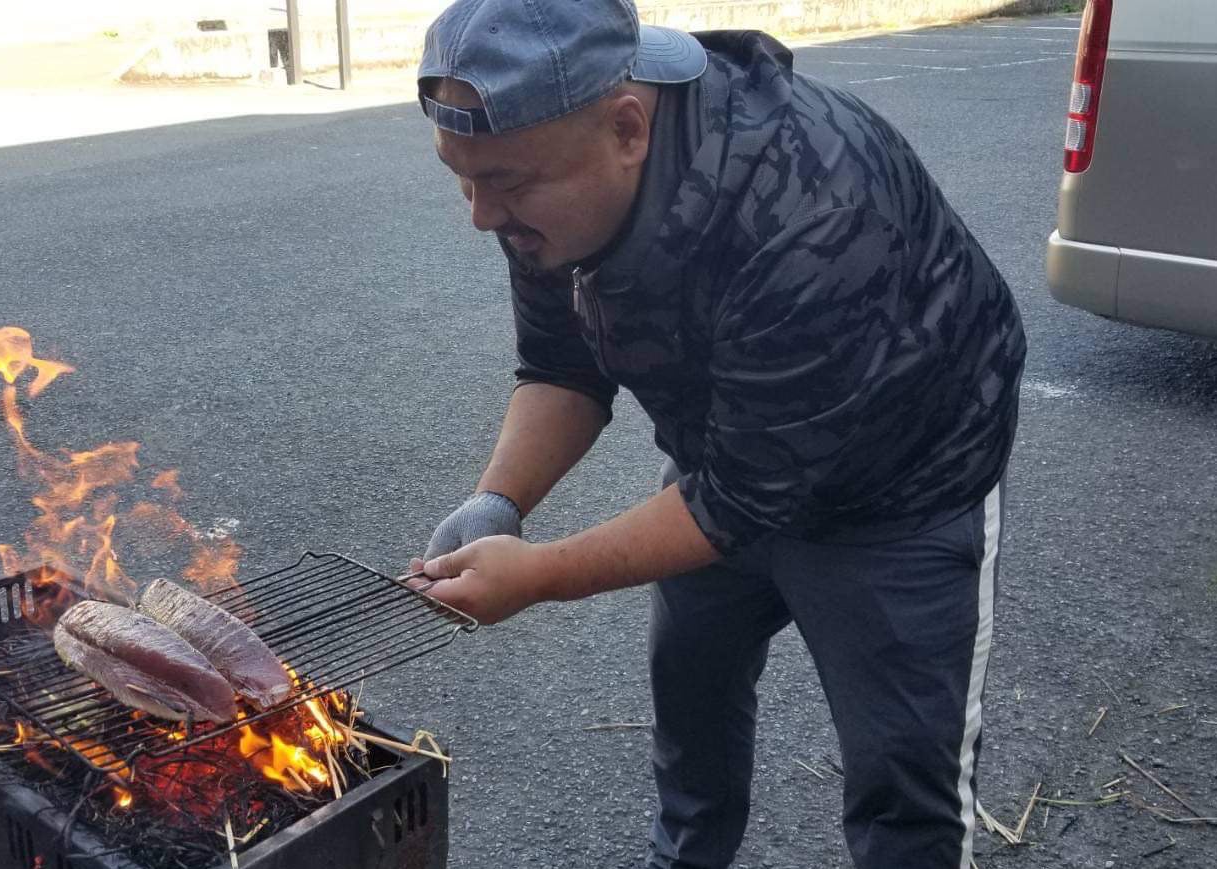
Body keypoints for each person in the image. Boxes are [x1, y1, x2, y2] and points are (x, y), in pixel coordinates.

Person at [406, 1, 1027, 867]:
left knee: (904, 787)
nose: (481, 214)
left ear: (628, 128)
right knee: (691, 708)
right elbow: (561, 367)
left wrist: (538, 575)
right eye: (461, 177)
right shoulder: (547, 168)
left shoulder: (810, 200)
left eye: (504, 183)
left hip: (901, 487)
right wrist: (497, 501)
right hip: (729, 458)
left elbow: (739, 501)